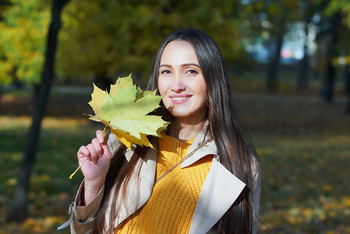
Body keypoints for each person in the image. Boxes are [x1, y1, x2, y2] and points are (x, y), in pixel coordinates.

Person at [59, 28, 261, 234]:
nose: (176, 85)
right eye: (166, 71)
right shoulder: (126, 140)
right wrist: (94, 183)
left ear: (212, 77)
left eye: (190, 71)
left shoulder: (239, 165)